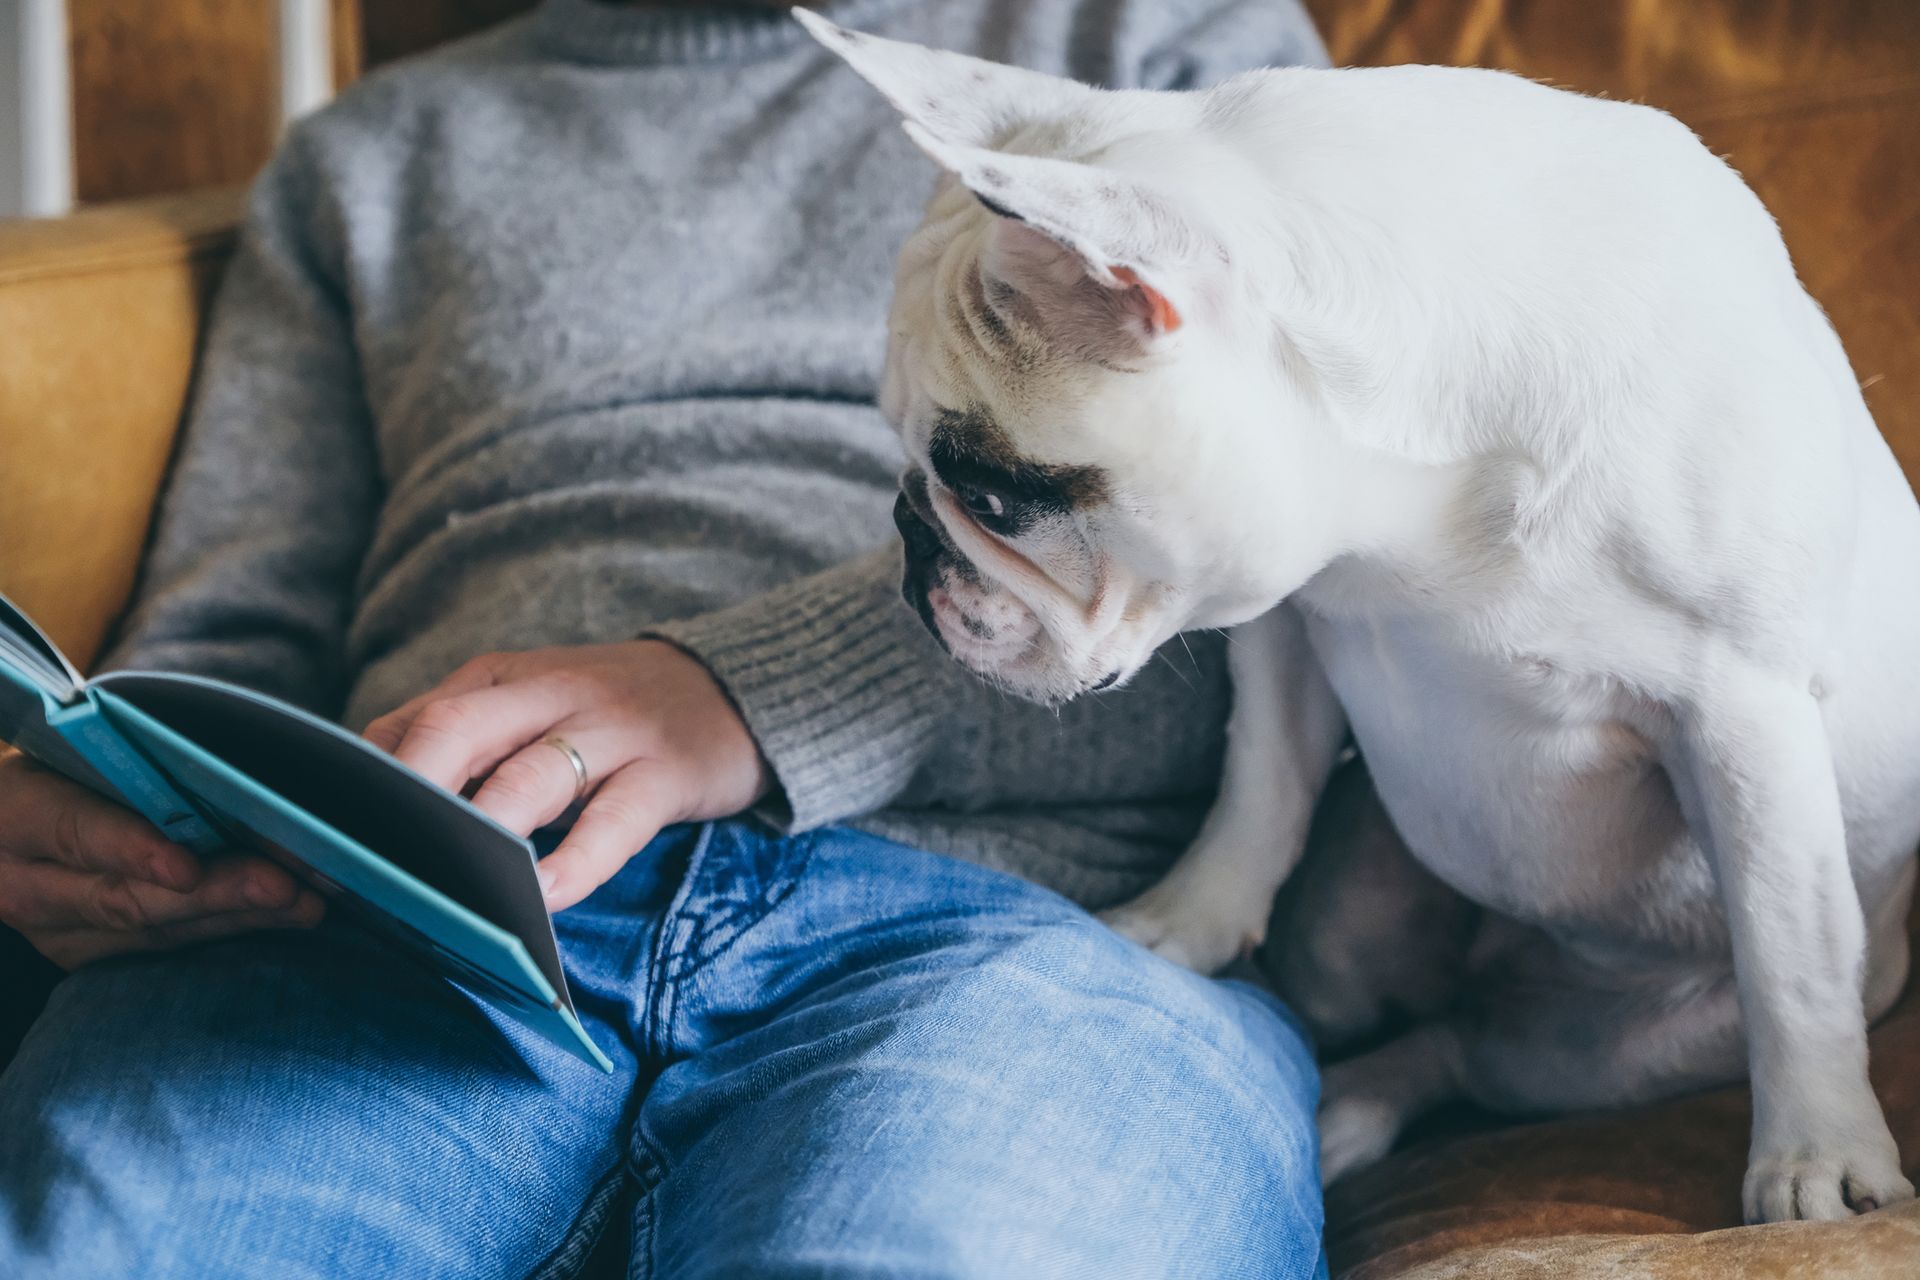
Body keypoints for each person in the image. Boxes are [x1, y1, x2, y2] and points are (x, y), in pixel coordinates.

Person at [0, 1, 1333, 1275]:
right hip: (416, 923)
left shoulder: (1164, 47)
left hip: (1025, 935)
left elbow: (1303, 622)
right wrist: (115, 825)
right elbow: (229, 647)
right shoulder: (370, 157)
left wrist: (738, 698)